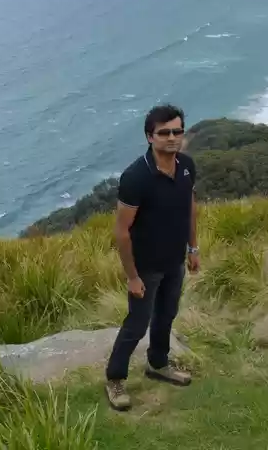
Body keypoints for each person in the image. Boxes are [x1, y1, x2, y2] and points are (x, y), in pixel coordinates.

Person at [104, 103, 200, 411]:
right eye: (164, 133)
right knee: (137, 323)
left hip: (174, 261)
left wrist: (193, 248)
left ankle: (158, 364)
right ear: (150, 137)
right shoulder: (136, 177)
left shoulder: (186, 166)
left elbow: (190, 209)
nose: (172, 138)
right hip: (145, 266)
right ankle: (115, 379)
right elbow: (122, 231)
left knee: (167, 315)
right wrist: (132, 276)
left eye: (177, 131)